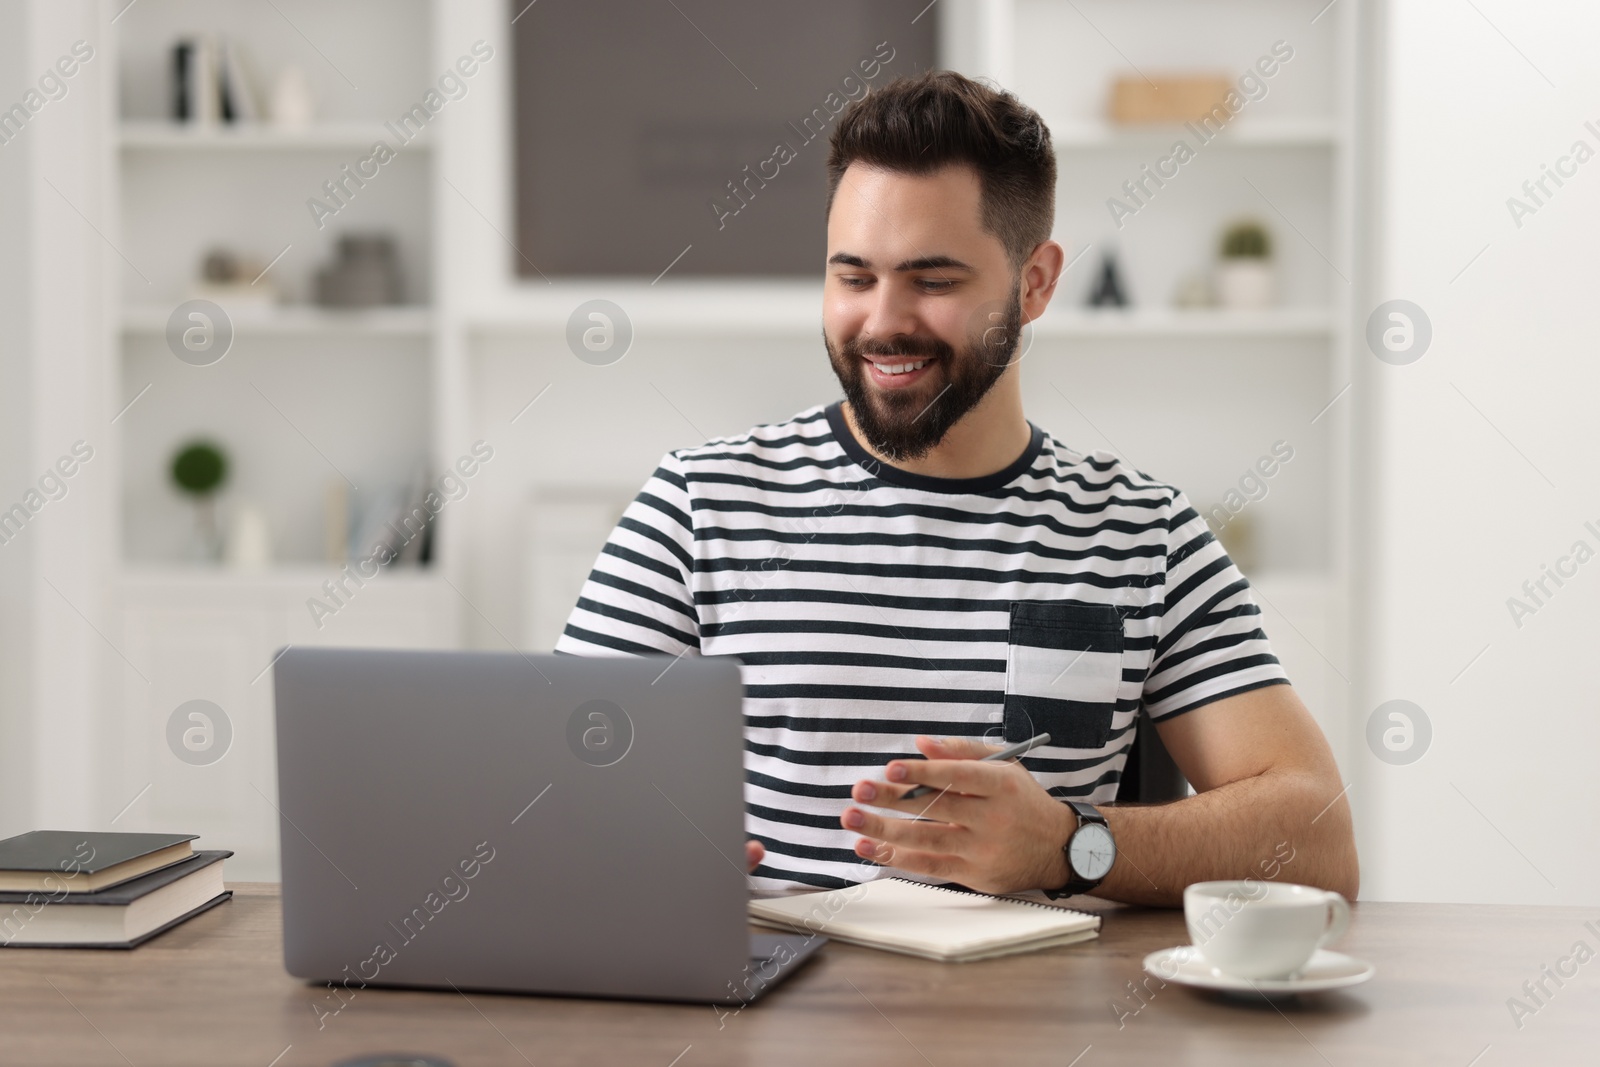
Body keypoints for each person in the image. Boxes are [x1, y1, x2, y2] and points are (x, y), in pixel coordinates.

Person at [556, 70, 1358, 906]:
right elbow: (546, 792)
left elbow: (1321, 838)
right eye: (853, 277)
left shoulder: (1142, 534)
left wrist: (1071, 844)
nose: (883, 321)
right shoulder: (699, 505)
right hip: (771, 1027)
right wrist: (636, 853)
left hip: (1028, 1031)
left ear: (1036, 282)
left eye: (933, 281)